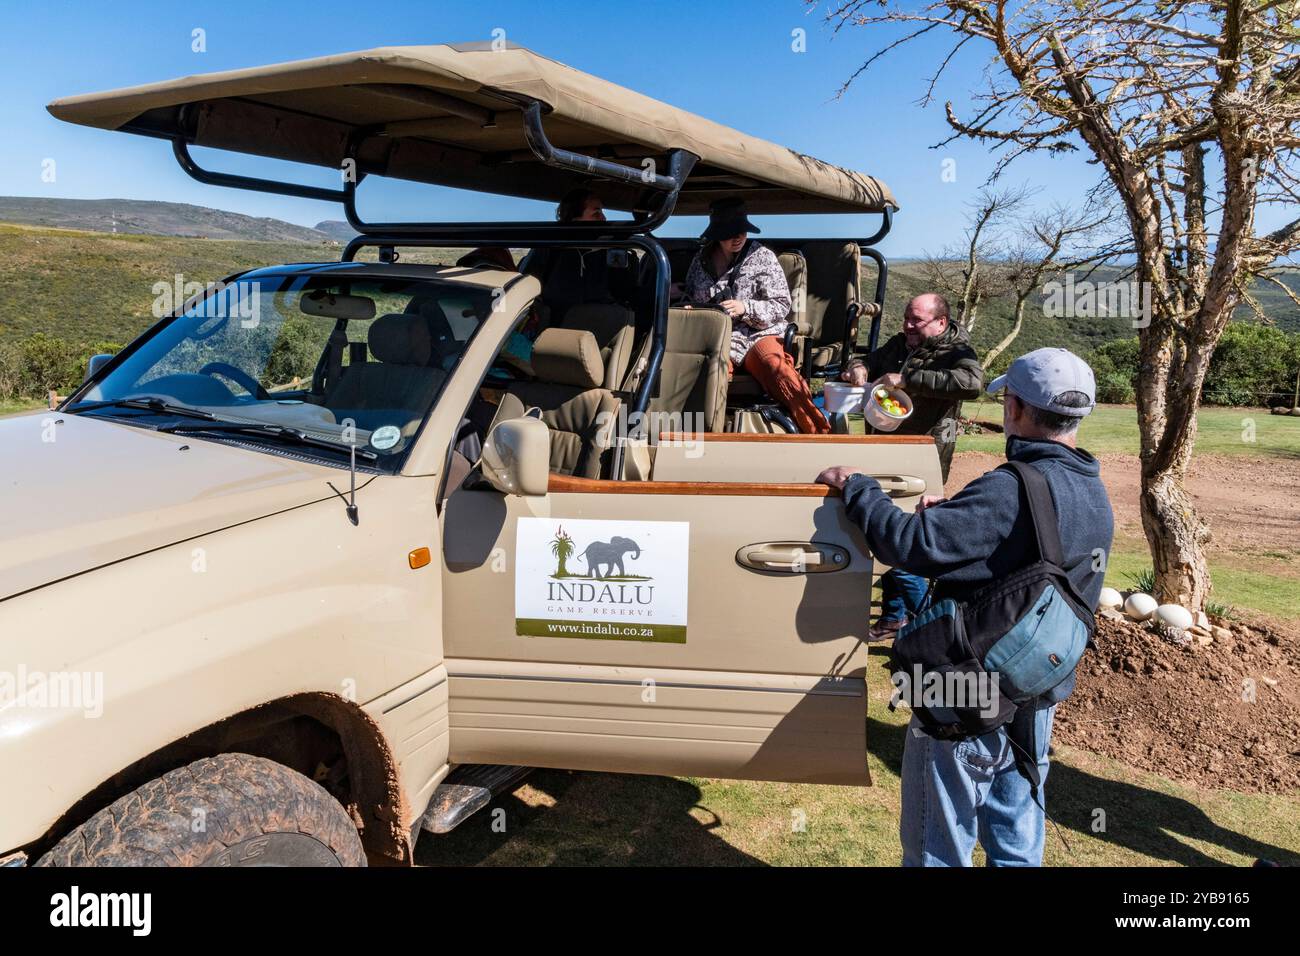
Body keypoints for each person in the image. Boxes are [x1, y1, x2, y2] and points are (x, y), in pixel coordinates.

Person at [817, 348, 1114, 866]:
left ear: (1017, 408)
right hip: (1035, 691)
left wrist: (858, 487)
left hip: (965, 694)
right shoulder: (1091, 486)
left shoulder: (1009, 487)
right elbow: (1020, 567)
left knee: (939, 842)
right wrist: (954, 520)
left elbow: (908, 546)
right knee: (1016, 836)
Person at [841, 293, 983, 640]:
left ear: (940, 322)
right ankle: (893, 618)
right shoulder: (900, 343)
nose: (907, 326)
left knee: (899, 544)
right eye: (906, 318)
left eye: (916, 321)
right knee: (885, 532)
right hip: (888, 450)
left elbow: (972, 384)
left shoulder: (958, 351)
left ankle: (936, 627)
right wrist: (859, 368)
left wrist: (909, 379)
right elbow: (872, 363)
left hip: (922, 459)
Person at [683, 197, 830, 434]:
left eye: (741, 231)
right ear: (717, 234)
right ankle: (702, 434)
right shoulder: (700, 261)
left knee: (775, 367)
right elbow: (692, 296)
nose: (738, 237)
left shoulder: (761, 256)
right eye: (730, 233)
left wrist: (745, 308)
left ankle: (817, 431)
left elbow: (781, 305)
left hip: (757, 334)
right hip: (716, 337)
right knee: (705, 372)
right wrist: (684, 301)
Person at [521, 188, 637, 323]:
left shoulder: (612, 250)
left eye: (602, 212)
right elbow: (526, 284)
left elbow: (625, 293)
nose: (604, 218)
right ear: (575, 218)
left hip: (598, 324)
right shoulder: (550, 247)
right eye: (596, 213)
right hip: (553, 325)